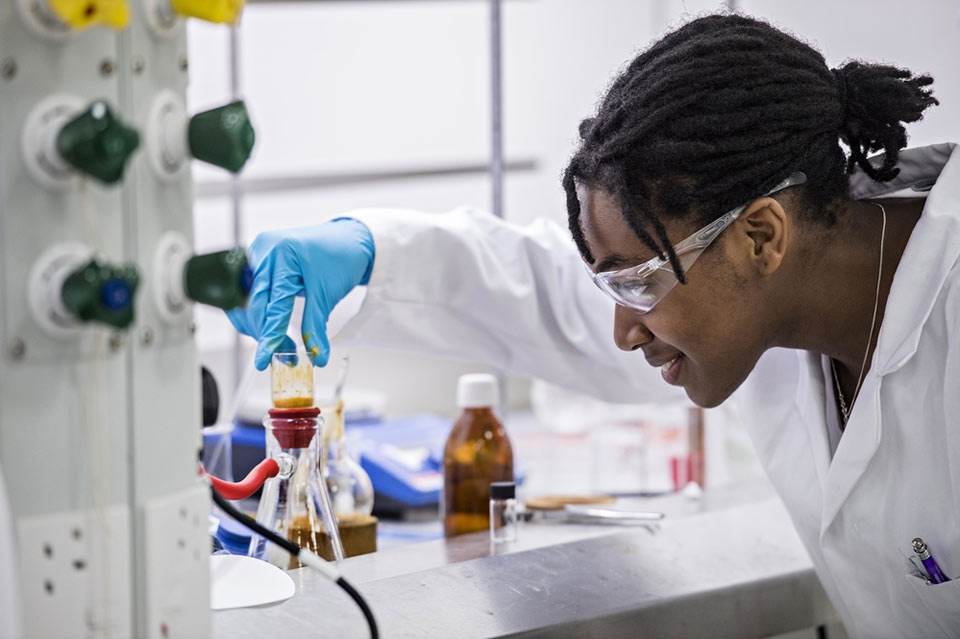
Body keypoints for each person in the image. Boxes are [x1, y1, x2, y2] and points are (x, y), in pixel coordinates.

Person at [227, 14, 958, 638]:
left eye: (637, 282)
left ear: (762, 237)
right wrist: (370, 254)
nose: (622, 329)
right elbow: (544, 290)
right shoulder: (770, 287)